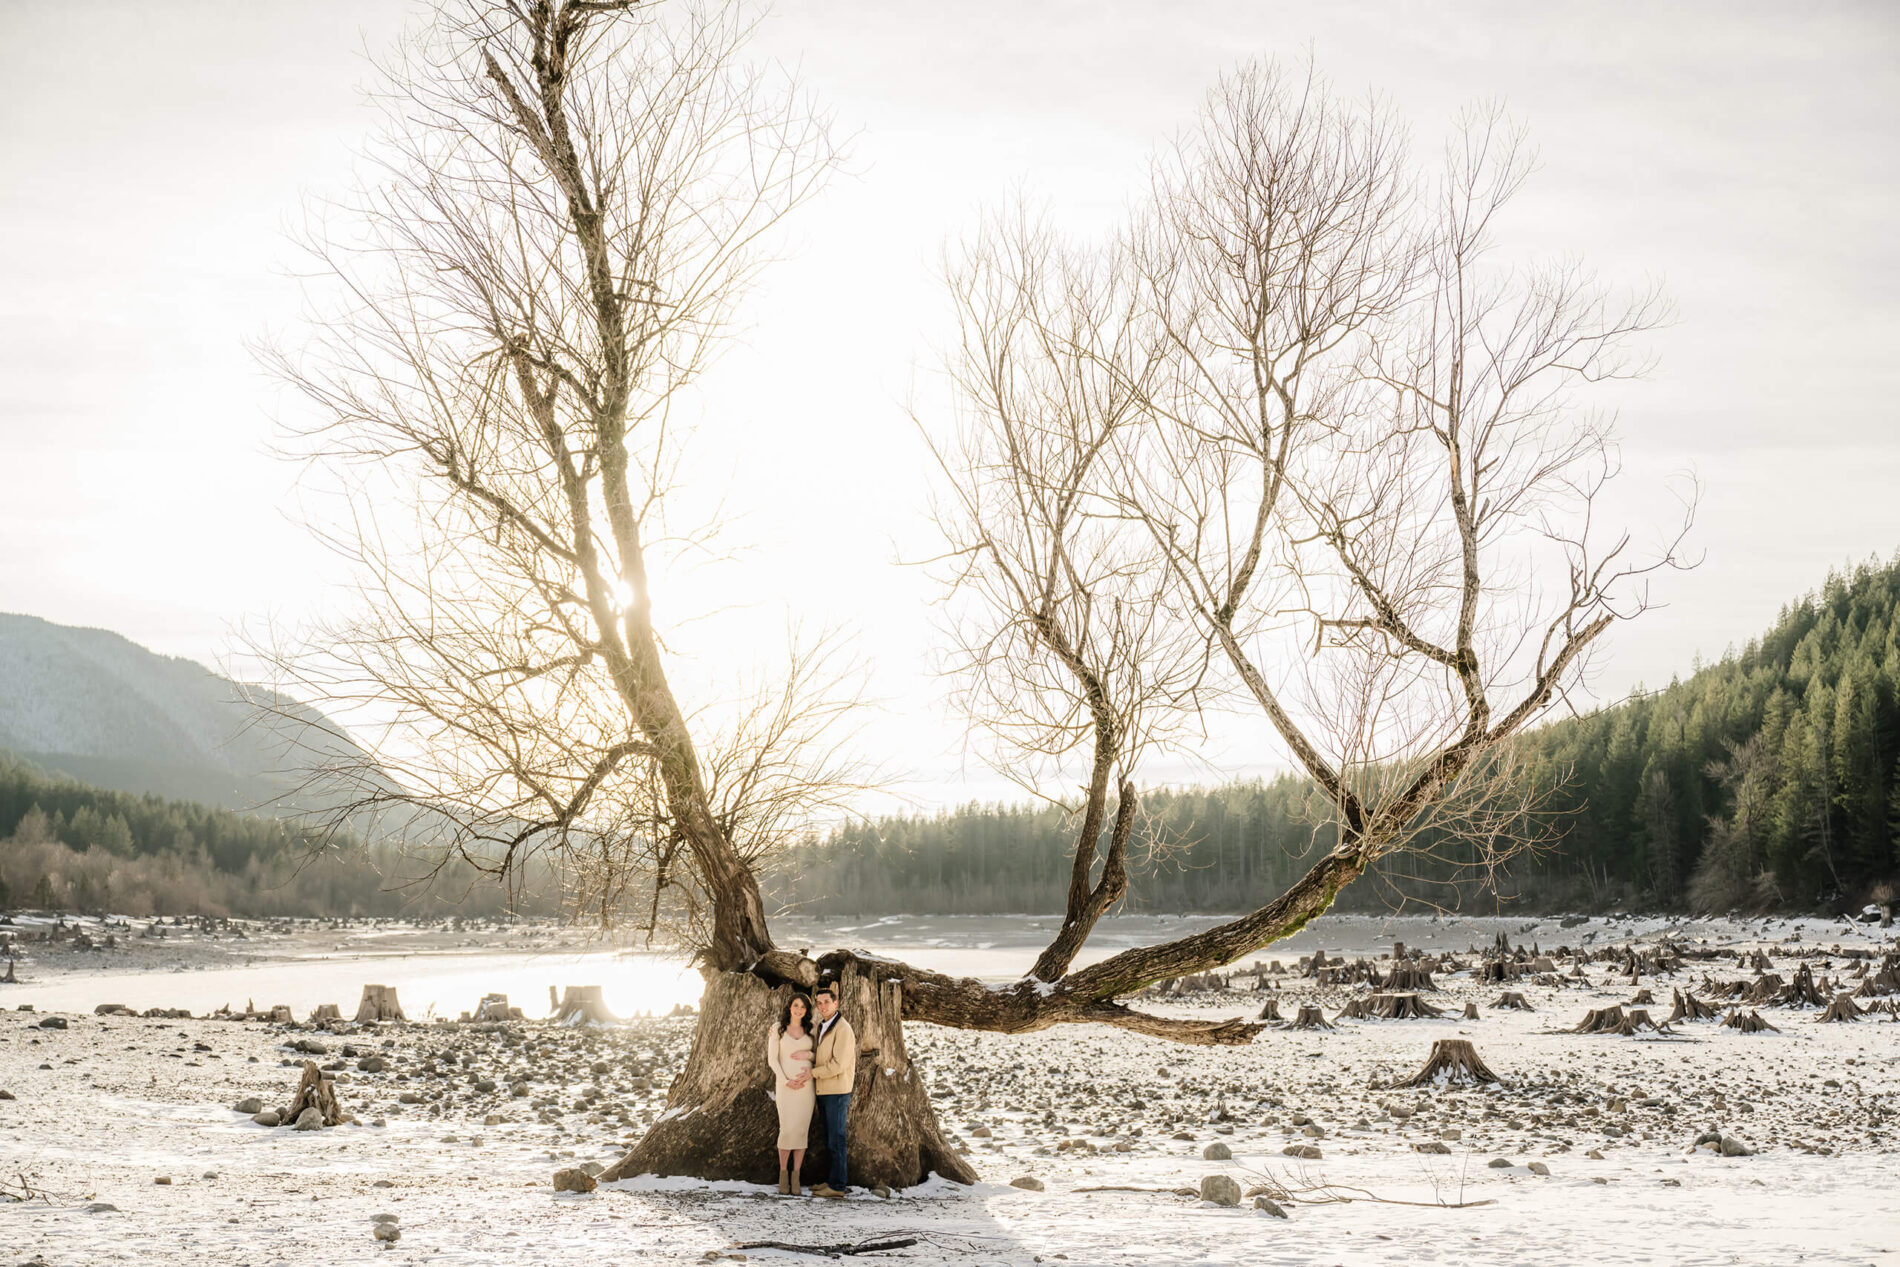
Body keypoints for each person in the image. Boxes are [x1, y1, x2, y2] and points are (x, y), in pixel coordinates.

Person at [807, 980, 856, 1198]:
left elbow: (839, 1064)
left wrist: (812, 1073)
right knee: (829, 1139)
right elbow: (823, 1057)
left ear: (836, 1003)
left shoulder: (843, 1028)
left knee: (837, 1139)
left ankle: (837, 1186)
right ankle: (831, 1181)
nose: (823, 1006)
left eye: (827, 1002)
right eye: (819, 1003)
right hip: (824, 1090)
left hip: (836, 1091)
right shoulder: (823, 1025)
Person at [765, 991, 816, 1196]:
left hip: (806, 1089)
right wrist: (785, 1081)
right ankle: (783, 1175)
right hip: (786, 1087)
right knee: (786, 1130)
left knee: (802, 1132)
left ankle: (796, 1177)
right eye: (796, 1005)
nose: (799, 1010)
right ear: (789, 1007)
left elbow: (819, 1056)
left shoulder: (811, 1030)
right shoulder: (778, 1029)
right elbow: (772, 1060)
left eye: (803, 1007)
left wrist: (809, 1054)